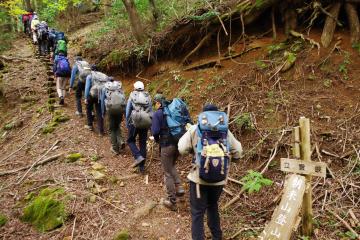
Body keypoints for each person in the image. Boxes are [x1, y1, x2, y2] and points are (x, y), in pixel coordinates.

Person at [178, 104, 243, 240]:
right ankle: (217, 237)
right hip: (219, 177)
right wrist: (232, 160)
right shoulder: (225, 130)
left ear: (203, 116)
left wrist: (194, 152)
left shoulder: (196, 129)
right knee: (212, 206)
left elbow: (182, 148)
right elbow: (238, 151)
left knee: (197, 213)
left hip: (198, 179)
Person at [151, 94, 187, 211]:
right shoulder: (172, 112)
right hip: (178, 144)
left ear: (159, 103)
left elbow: (155, 131)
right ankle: (179, 188)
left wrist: (157, 140)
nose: (155, 105)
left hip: (166, 146)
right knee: (171, 166)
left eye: (155, 102)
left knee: (167, 172)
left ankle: (172, 201)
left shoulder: (158, 114)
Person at [125, 81, 152, 173]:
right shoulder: (147, 96)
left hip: (134, 122)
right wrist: (150, 124)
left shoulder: (132, 95)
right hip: (145, 122)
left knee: (130, 140)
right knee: (142, 143)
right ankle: (142, 168)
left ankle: (138, 156)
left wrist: (127, 122)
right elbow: (151, 111)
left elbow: (128, 110)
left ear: (134, 87)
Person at [100, 79, 126, 154]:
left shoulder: (105, 88)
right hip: (120, 109)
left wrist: (103, 112)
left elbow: (102, 101)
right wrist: (124, 112)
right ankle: (121, 141)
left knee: (111, 129)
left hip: (110, 110)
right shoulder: (119, 87)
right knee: (117, 126)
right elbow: (124, 99)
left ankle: (115, 148)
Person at [84, 69, 109, 134]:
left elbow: (87, 88)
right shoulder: (104, 76)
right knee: (99, 111)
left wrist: (86, 97)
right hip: (100, 95)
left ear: (91, 70)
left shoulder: (90, 76)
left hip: (92, 94)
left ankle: (90, 125)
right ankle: (101, 131)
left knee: (88, 109)